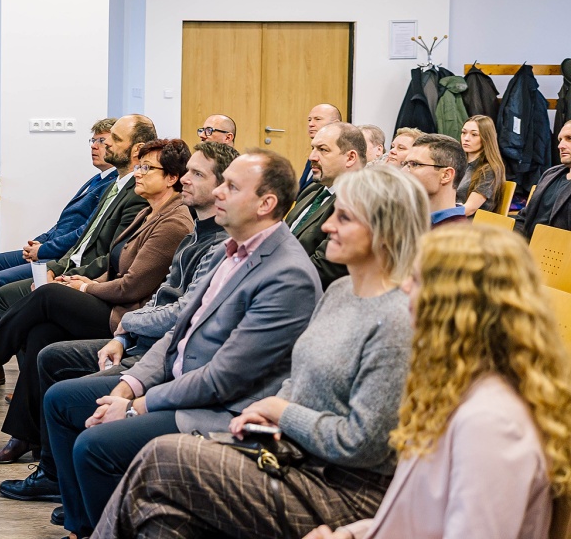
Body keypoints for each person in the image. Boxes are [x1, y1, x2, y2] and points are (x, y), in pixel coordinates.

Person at [92, 165, 429, 539]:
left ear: (385, 230)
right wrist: (271, 413)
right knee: (162, 517)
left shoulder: (398, 319)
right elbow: (299, 376)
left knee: (163, 456)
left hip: (345, 488)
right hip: (294, 457)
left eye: (344, 218)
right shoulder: (340, 291)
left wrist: (280, 412)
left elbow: (361, 444)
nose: (327, 226)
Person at [43, 150, 321, 539]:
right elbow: (179, 331)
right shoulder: (227, 249)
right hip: (179, 382)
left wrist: (136, 407)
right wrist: (129, 386)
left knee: (95, 447)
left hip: (221, 409)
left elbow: (223, 379)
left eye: (231, 187)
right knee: (60, 400)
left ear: (266, 204)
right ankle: (84, 528)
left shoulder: (287, 275)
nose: (219, 192)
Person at [0, 142, 238, 506]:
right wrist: (84, 286)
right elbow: (148, 287)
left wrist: (110, 312)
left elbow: (169, 307)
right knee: (45, 337)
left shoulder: (196, 233)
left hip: (139, 328)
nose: (186, 180)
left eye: (196, 174)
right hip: (136, 329)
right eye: (187, 172)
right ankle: (49, 470)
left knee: (48, 302)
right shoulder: (189, 230)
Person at [307, 224, 571, 539]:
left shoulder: (491, 423)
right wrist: (354, 534)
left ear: (456, 305)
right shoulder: (460, 386)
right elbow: (420, 517)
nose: (405, 287)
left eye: (418, 279)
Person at [0, 140, 194, 465]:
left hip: (124, 317)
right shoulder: (150, 212)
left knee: (47, 294)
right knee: (41, 333)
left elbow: (132, 287)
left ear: (172, 178)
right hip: (111, 300)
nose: (139, 173)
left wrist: (86, 287)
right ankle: (25, 436)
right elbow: (112, 265)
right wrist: (78, 280)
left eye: (147, 168)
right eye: (139, 166)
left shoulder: (173, 223)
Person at [0, 119, 117, 389]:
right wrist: (40, 241)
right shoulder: (97, 179)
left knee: (0, 282)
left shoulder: (113, 185)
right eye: (93, 140)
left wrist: (44, 250)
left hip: (63, 256)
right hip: (50, 246)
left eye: (102, 141)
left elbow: (83, 234)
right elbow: (64, 223)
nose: (95, 146)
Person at [0, 115, 157, 325]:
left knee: (1, 287)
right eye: (96, 140)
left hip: (81, 269)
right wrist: (46, 248)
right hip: (66, 258)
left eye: (111, 139)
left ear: (137, 149)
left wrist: (53, 261)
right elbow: (78, 230)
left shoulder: (133, 193)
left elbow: (107, 252)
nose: (103, 144)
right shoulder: (110, 184)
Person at [285, 121, 366, 288]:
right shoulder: (313, 190)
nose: (312, 157)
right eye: (313, 148)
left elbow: (325, 267)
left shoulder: (360, 199)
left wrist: (270, 276)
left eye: (323, 150)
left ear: (350, 158)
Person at [516, 120, 571, 239]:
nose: (560, 146)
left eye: (569, 138)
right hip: (527, 244)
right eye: (560, 140)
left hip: (557, 248)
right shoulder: (550, 174)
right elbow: (524, 217)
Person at [402, 133, 468, 227]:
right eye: (406, 164)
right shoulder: (409, 219)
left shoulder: (456, 232)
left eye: (415, 164)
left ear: (446, 175)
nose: (403, 171)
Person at [459, 114, 507, 216]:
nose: (466, 138)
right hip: (451, 216)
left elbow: (469, 209)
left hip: (469, 222)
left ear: (486, 138)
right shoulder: (457, 162)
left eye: (474, 134)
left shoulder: (489, 170)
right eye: (463, 133)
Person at [300, 103, 342, 191]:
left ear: (335, 124)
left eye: (317, 119)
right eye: (309, 120)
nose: (311, 124)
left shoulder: (339, 155)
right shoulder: (314, 153)